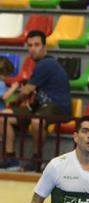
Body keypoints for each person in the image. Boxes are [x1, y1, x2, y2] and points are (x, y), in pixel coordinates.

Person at [2, 30, 71, 170]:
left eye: (37, 45)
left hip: (57, 107)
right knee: (4, 116)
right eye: (30, 45)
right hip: (40, 107)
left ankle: (37, 158)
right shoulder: (40, 64)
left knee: (36, 121)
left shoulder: (46, 64)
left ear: (45, 47)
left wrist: (15, 101)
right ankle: (10, 157)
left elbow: (27, 90)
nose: (33, 48)